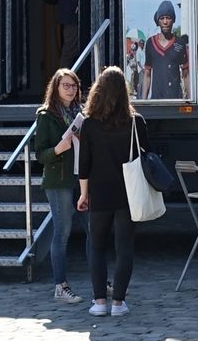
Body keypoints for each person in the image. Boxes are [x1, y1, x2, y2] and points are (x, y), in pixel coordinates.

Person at [74, 65, 149, 317]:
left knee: (96, 247)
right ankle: (118, 302)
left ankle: (99, 302)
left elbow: (83, 163)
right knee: (124, 247)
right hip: (129, 192)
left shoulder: (90, 124)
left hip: (100, 191)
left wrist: (84, 194)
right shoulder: (136, 122)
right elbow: (144, 157)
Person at [27, 68, 89, 305]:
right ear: (56, 88)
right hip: (59, 180)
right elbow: (40, 154)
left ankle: (99, 280)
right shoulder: (45, 115)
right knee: (61, 232)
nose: (70, 90)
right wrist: (57, 149)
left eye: (73, 86)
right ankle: (60, 286)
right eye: (66, 85)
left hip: (81, 177)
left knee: (93, 229)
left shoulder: (81, 112)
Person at [142, 1, 189, 99]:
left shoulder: (179, 44)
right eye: (162, 18)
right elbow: (147, 74)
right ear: (158, 21)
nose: (165, 22)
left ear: (173, 20)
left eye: (168, 18)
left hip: (175, 100)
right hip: (156, 99)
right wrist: (143, 101)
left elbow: (186, 74)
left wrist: (190, 97)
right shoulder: (151, 43)